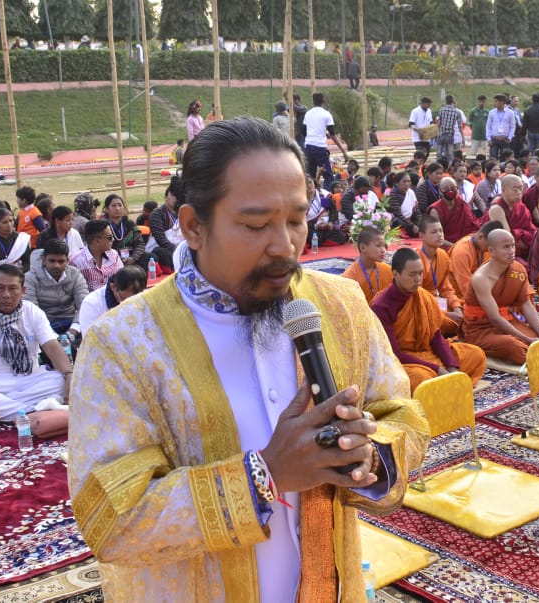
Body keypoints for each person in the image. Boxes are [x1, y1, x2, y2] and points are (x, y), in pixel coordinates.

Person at [67, 117, 427, 601]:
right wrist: (267, 476)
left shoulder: (340, 304)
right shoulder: (123, 343)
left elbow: (400, 413)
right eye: (256, 225)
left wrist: (370, 453)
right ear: (194, 226)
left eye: (297, 220)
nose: (285, 247)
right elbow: (111, 518)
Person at [0, 263, 73, 429]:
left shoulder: (33, 312)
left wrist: (69, 376)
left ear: (23, 291)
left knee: (65, 380)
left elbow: (53, 348)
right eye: (0, 288)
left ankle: (23, 411)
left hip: (32, 380)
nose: (6, 295)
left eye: (12, 289)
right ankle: (38, 412)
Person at [371, 248, 486, 391]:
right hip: (404, 362)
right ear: (395, 274)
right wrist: (436, 369)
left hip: (428, 353)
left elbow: (435, 336)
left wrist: (451, 366)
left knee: (476, 355)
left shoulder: (422, 296)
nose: (418, 279)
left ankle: (446, 381)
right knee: (423, 380)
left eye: (420, 273)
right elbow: (393, 354)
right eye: (412, 274)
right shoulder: (382, 306)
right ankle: (445, 382)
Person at [461, 229, 539, 364]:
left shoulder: (518, 270)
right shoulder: (481, 279)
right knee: (514, 347)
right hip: (482, 329)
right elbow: (495, 318)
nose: (511, 251)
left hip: (509, 321)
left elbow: (526, 304)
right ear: (491, 251)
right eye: (506, 247)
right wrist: (528, 339)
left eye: (513, 245)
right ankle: (530, 347)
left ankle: (534, 346)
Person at [24, 239, 88, 334]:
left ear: (67, 261)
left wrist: (73, 330)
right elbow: (32, 312)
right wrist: (51, 336)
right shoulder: (30, 278)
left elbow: (84, 305)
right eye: (52, 261)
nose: (56, 265)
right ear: (43, 260)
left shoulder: (75, 274)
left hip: (71, 321)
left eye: (61, 261)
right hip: (44, 324)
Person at [68, 266, 146, 342]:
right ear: (113, 287)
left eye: (135, 300)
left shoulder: (144, 297)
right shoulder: (91, 304)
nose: (129, 304)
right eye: (124, 299)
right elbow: (91, 342)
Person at [416, 215, 465, 336]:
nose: (439, 234)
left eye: (441, 230)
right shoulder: (416, 260)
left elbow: (446, 288)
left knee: (468, 314)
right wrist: (446, 314)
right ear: (422, 236)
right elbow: (417, 297)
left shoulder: (443, 255)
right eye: (434, 232)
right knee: (448, 323)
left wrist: (457, 308)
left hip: (440, 302)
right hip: (423, 307)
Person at [302, 92, 350, 182]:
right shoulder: (326, 114)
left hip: (308, 147)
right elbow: (332, 134)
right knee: (328, 176)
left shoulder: (308, 114)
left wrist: (319, 133)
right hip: (320, 148)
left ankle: (310, 195)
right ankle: (327, 195)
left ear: (313, 101)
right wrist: (343, 151)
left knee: (309, 176)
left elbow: (304, 132)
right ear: (323, 101)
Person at [450, 220, 502, 301]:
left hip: (483, 291)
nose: (491, 249)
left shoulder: (486, 249)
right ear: (481, 237)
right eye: (489, 245)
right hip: (459, 295)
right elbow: (465, 287)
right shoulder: (462, 251)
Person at [487, 174, 535, 261]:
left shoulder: (522, 207)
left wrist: (524, 238)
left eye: (521, 188)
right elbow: (507, 239)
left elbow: (531, 231)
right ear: (503, 190)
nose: (519, 192)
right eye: (515, 189)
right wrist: (524, 240)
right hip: (501, 253)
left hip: (522, 250)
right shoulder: (497, 209)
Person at [71, 220, 124, 292]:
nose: (113, 239)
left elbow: (122, 279)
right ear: (97, 241)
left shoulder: (114, 255)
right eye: (110, 237)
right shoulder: (76, 262)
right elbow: (77, 292)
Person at [342, 227, 393, 303]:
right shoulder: (350, 277)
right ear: (363, 248)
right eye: (378, 246)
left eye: (384, 246)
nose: (383, 250)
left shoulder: (387, 270)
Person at [146, 179, 185, 270]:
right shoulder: (157, 214)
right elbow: (161, 239)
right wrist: (179, 251)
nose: (175, 199)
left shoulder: (185, 212)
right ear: (166, 195)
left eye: (178, 196)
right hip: (162, 250)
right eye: (172, 195)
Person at [428, 175, 477, 245]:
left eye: (453, 188)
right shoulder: (435, 210)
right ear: (440, 191)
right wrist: (454, 246)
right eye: (446, 188)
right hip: (446, 245)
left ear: (457, 189)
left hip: (465, 242)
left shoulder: (461, 204)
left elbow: (472, 227)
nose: (450, 191)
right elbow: (436, 236)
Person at [100, 194, 146, 267]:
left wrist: (133, 258)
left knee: (149, 257)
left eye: (120, 205)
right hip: (113, 260)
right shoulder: (103, 226)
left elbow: (140, 243)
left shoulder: (130, 223)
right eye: (114, 206)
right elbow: (104, 247)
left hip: (132, 257)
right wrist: (119, 259)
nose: (117, 208)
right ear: (107, 209)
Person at [486, 94, 517, 159]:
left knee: (504, 159)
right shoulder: (491, 112)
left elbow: (512, 126)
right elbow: (488, 126)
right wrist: (488, 139)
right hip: (494, 139)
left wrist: (509, 138)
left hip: (505, 140)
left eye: (496, 101)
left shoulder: (510, 113)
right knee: (493, 158)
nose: (494, 103)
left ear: (502, 102)